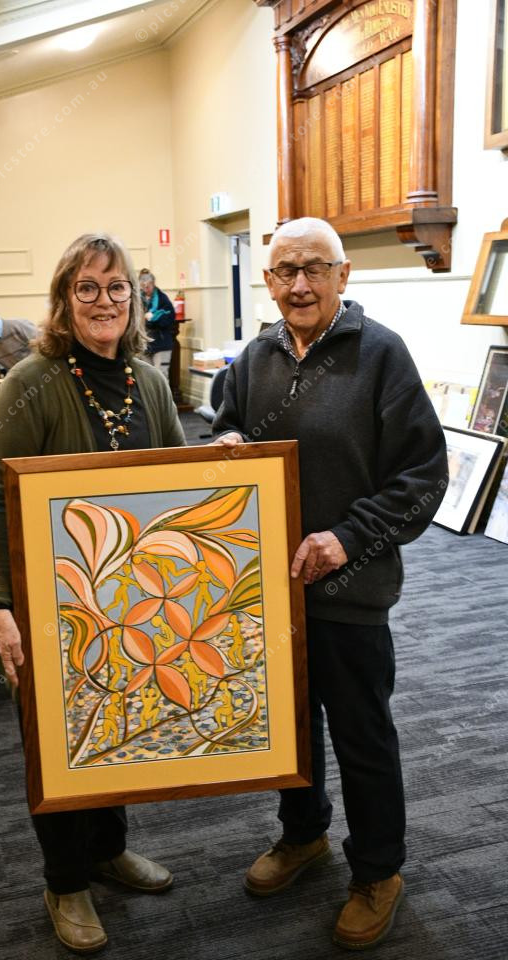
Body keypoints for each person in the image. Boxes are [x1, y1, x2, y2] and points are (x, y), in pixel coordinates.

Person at [212, 216, 448, 950]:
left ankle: (378, 871)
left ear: (344, 275)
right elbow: (226, 429)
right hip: (271, 591)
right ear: (268, 279)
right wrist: (224, 445)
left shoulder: (382, 354)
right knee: (289, 728)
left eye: (315, 268)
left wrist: (346, 538)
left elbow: (422, 476)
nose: (300, 284)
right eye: (286, 270)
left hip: (352, 593)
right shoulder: (255, 357)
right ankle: (303, 834)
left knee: (361, 736)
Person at [0, 234, 185, 954]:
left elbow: (174, 481)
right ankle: (65, 882)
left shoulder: (147, 381)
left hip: (125, 600)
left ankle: (108, 851)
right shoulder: (30, 381)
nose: (105, 301)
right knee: (57, 742)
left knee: (113, 727)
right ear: (65, 299)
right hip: (46, 605)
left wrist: (222, 466)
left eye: (117, 287)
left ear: (134, 297)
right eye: (88, 288)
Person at [139, 269, 175, 378]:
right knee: (146, 377)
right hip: (145, 344)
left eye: (148, 286)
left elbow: (169, 319)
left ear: (153, 284)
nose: (145, 289)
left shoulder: (162, 299)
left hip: (161, 344)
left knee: (161, 376)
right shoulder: (139, 299)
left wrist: (153, 319)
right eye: (143, 286)